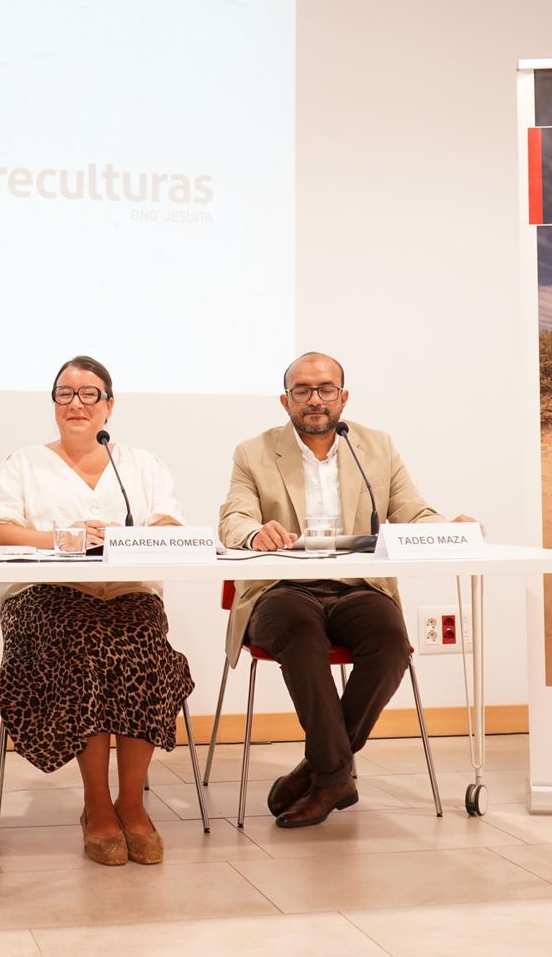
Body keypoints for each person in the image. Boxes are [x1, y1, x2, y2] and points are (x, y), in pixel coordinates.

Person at [217, 351, 475, 828]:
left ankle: (321, 771)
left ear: (343, 397)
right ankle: (334, 776)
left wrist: (448, 528)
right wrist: (255, 533)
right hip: (284, 587)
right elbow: (234, 516)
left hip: (359, 586)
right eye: (302, 390)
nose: (315, 399)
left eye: (325, 389)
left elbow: (411, 511)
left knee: (390, 642)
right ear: (285, 400)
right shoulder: (254, 451)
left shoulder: (376, 446)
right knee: (300, 634)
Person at [0, 355, 194, 866]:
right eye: (65, 393)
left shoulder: (139, 463)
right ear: (54, 403)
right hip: (45, 595)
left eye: (89, 393)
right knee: (85, 644)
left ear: (109, 405)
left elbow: (170, 524)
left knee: (144, 646)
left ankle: (131, 803)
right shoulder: (24, 462)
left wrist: (128, 537)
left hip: (126, 591)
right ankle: (97, 804)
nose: (76, 403)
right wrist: (63, 538)